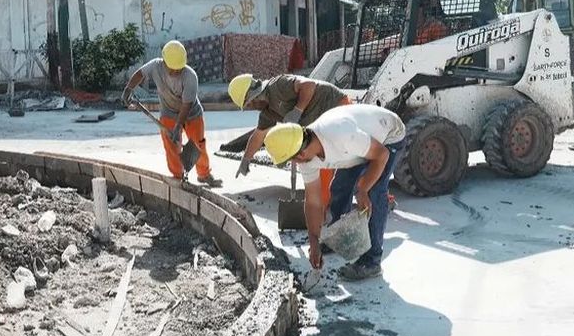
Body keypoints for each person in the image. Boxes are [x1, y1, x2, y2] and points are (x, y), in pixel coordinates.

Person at [263, 105, 406, 281]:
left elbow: (381, 155)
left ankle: (372, 261)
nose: (293, 163)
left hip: (389, 135)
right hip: (361, 144)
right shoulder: (306, 157)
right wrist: (314, 241)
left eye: (290, 159)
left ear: (299, 154)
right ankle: (340, 238)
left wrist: (363, 189)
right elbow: (313, 202)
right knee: (339, 187)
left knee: (375, 191)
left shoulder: (341, 135)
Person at [228, 73, 349, 203]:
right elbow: (258, 135)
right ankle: (324, 207)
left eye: (248, 105)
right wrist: (246, 159)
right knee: (318, 165)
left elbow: (309, 86)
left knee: (332, 165)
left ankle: (326, 207)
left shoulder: (279, 85)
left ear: (253, 97)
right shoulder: (267, 111)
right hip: (320, 126)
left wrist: (297, 110)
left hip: (336, 108)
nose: (250, 109)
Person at [123, 40, 221, 186]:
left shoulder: (190, 76)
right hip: (168, 112)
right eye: (172, 69)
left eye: (179, 69)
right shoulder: (155, 66)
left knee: (198, 144)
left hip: (192, 113)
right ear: (164, 62)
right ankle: (178, 176)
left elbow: (186, 104)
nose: (175, 72)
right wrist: (128, 89)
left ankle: (204, 174)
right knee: (171, 145)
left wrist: (178, 126)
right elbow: (139, 74)